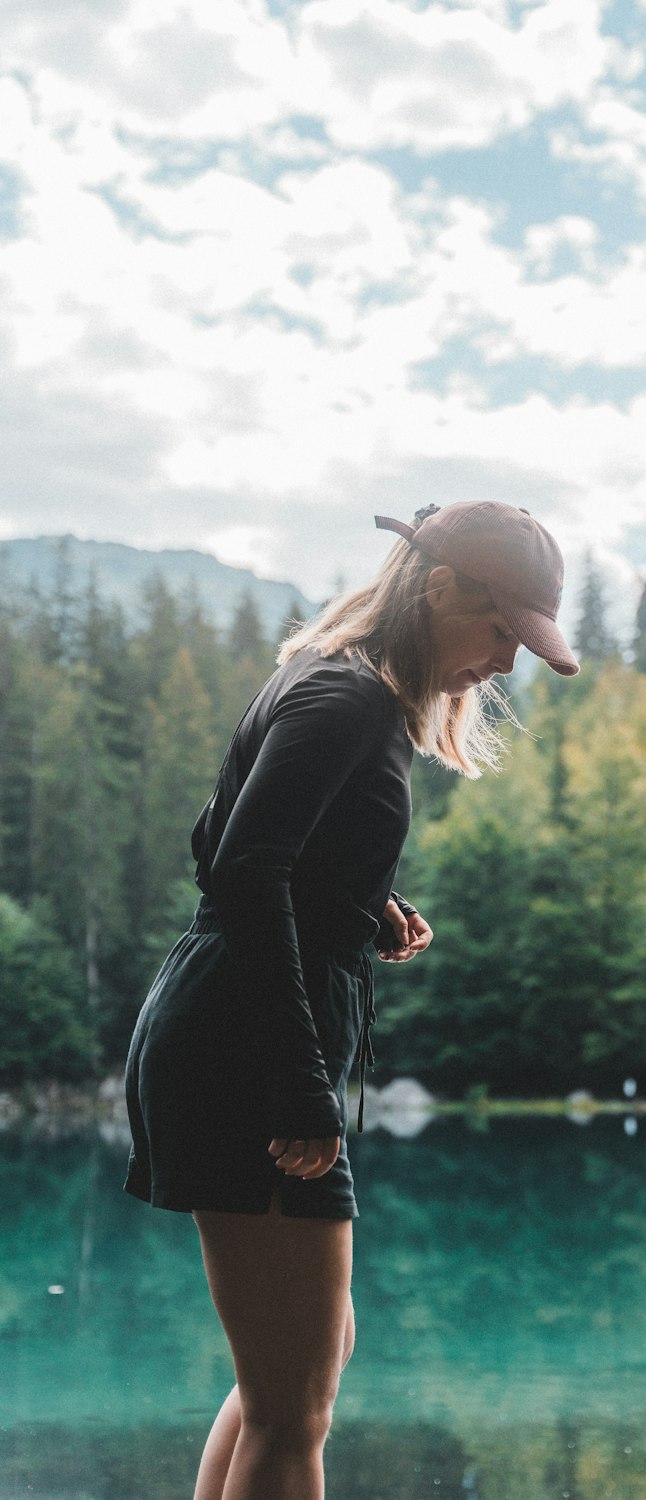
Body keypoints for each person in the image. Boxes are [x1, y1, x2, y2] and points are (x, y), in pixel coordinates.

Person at [123, 500, 580, 1500]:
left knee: (290, 1383)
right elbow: (240, 873)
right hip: (246, 1046)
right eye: (500, 630)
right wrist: (299, 1090)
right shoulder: (347, 701)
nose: (503, 664)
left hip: (232, 1028)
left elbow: (235, 850)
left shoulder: (335, 684)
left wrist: (359, 905)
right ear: (440, 588)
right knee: (294, 1411)